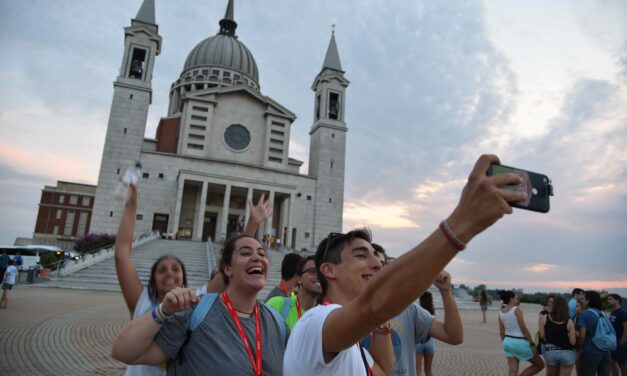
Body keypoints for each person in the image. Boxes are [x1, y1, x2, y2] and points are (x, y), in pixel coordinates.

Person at [283, 154, 528, 376]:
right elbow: (375, 305)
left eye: (377, 257)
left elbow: (384, 368)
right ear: (328, 270)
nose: (377, 264)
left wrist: (380, 321)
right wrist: (464, 222)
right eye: (361, 255)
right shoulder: (314, 322)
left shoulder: (355, 346)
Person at [112, 235, 287, 375]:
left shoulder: (276, 322)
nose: (257, 257)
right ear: (227, 269)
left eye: (262, 254)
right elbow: (122, 352)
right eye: (246, 253)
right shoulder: (195, 312)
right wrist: (162, 311)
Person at [370, 243, 463, 376]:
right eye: (371, 265)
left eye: (382, 264)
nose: (377, 268)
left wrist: (446, 291)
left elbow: (454, 336)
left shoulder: (407, 309)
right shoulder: (345, 312)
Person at [267, 255, 321, 329]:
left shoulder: (326, 315)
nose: (319, 276)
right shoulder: (277, 305)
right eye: (312, 271)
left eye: (322, 272)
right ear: (299, 279)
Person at [498, 290, 545, 376]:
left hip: (507, 342)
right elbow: (523, 328)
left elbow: (501, 332)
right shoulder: (516, 310)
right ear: (511, 299)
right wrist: (532, 344)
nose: (517, 299)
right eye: (516, 298)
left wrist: (505, 343)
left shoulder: (501, 312)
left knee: (512, 371)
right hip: (519, 342)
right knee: (539, 365)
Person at [539, 295, 577, 376]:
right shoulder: (569, 321)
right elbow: (572, 342)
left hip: (551, 351)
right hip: (567, 352)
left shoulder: (545, 317)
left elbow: (542, 335)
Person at [578, 290, 611, 376]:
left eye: (583, 299)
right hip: (605, 350)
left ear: (588, 300)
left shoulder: (584, 314)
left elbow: (582, 335)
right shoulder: (604, 314)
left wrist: (579, 347)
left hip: (590, 351)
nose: (582, 301)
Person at [415, 291, 436, 376]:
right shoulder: (434, 313)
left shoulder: (418, 312)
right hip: (430, 344)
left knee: (418, 372)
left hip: (419, 344)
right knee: (428, 372)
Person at [608, 294, 627, 376]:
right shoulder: (613, 312)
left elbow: (626, 328)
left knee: (623, 364)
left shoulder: (622, 312)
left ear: (617, 300)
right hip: (613, 343)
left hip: (621, 343)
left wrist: (622, 341)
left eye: (610, 299)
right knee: (612, 363)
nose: (608, 301)